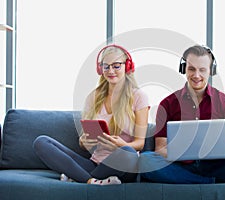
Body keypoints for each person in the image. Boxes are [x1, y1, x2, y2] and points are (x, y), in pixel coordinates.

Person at [139, 45, 225, 184]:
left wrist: (220, 152)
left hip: (219, 165)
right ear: (183, 69)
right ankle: (212, 181)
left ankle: (197, 181)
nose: (196, 75)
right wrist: (181, 153)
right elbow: (160, 149)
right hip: (181, 167)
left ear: (211, 71)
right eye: (191, 69)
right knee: (146, 160)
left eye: (202, 70)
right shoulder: (167, 104)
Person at [33, 44, 149, 185]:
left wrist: (120, 145)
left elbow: (140, 143)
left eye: (116, 66)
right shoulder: (93, 97)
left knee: (128, 152)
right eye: (106, 66)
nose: (110, 70)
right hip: (95, 163)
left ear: (128, 66)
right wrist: (84, 142)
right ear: (100, 69)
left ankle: (78, 177)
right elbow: (84, 140)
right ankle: (91, 181)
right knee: (41, 142)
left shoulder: (138, 96)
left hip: (123, 166)